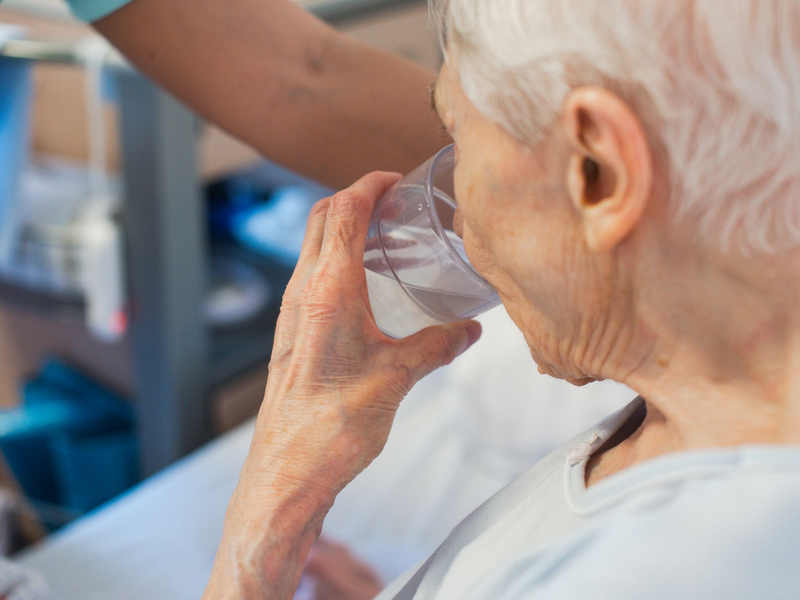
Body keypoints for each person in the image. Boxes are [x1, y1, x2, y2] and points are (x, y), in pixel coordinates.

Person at [199, 0, 800, 598]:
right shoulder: (699, 422)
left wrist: (268, 517)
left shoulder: (643, 574)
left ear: (598, 172)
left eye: (457, 137)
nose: (459, 223)